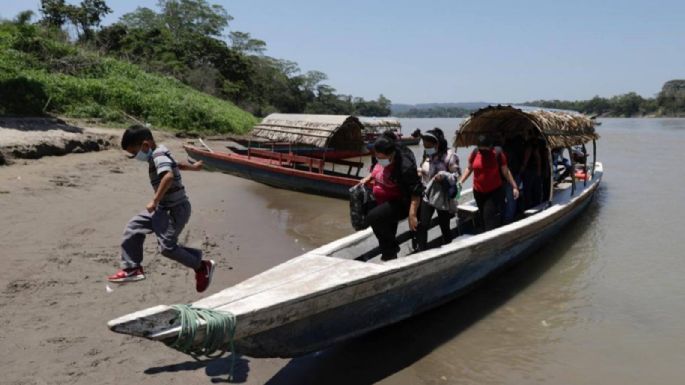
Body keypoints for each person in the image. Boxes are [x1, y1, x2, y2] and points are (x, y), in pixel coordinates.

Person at [107, 125, 216, 293]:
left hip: (175, 210)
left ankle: (201, 266)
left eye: (135, 153)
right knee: (134, 227)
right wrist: (193, 167)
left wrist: (154, 200)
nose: (136, 157)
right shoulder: (161, 152)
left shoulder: (157, 155)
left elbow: (169, 176)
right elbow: (175, 165)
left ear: (145, 145)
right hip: (164, 208)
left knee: (167, 248)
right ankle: (132, 268)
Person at [357, 131, 423, 260]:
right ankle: (390, 255)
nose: (379, 160)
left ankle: (392, 248)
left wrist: (412, 214)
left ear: (391, 154)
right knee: (387, 227)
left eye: (382, 158)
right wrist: (369, 177)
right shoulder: (379, 154)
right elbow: (377, 167)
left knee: (373, 217)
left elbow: (416, 191)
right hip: (384, 199)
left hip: (402, 200)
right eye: (377, 157)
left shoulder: (405, 166)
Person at [459, 135, 519, 231]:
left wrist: (514, 186)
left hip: (493, 192)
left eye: (485, 149)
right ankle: (484, 235)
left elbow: (505, 171)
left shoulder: (498, 153)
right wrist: (460, 182)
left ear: (490, 146)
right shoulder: (475, 153)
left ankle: (491, 240)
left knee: (488, 217)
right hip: (478, 191)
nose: (482, 151)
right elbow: (469, 168)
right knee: (482, 216)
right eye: (480, 149)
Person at [415, 128, 461, 251]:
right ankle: (421, 251)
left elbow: (456, 177)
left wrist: (444, 176)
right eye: (424, 145)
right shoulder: (428, 154)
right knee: (422, 225)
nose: (426, 148)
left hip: (443, 196)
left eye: (428, 145)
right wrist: (420, 172)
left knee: (444, 226)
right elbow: (426, 170)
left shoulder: (450, 157)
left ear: (437, 144)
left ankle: (449, 249)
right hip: (428, 194)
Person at [502, 135, 525, 223]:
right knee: (511, 198)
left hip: (511, 177)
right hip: (512, 176)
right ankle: (509, 217)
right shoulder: (509, 150)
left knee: (511, 198)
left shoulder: (506, 151)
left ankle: (508, 219)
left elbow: (508, 168)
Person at [520, 138, 543, 209]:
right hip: (533, 169)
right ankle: (536, 203)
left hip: (530, 170)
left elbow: (535, 158)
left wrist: (523, 167)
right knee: (534, 188)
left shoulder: (530, 147)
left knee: (528, 189)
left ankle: (529, 205)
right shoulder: (534, 146)